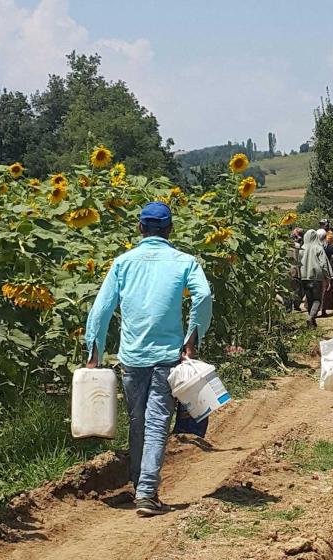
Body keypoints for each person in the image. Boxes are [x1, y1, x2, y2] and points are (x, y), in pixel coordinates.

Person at [84, 202, 213, 516]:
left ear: (140, 228)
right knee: (157, 422)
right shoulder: (184, 261)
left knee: (138, 420)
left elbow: (100, 310)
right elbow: (204, 296)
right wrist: (192, 337)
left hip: (132, 357)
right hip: (168, 357)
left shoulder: (123, 263)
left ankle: (138, 483)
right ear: (170, 229)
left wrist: (94, 352)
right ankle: (146, 491)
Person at [300, 228, 332, 327]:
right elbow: (323, 264)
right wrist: (328, 277)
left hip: (304, 277)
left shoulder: (302, 248)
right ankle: (311, 317)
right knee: (317, 299)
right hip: (316, 277)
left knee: (309, 299)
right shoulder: (318, 248)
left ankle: (312, 322)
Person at [287, 228, 304, 312]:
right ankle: (296, 305)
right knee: (297, 290)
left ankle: (288, 307)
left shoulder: (284, 246)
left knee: (288, 289)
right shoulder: (298, 246)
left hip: (287, 270)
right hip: (296, 270)